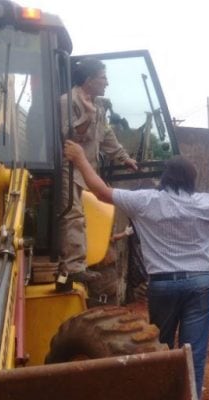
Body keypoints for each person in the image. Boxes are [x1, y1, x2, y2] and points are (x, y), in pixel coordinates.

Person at [63, 140, 209, 400]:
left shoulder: (144, 201)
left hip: (162, 285)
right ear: (191, 179)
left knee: (159, 346)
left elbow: (100, 191)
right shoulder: (207, 203)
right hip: (200, 283)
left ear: (165, 177)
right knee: (192, 352)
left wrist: (81, 158)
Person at [59, 58, 138, 285]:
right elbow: (72, 136)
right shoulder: (68, 102)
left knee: (82, 217)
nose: (107, 83)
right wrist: (88, 113)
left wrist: (123, 157)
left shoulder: (99, 105)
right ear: (89, 80)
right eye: (103, 78)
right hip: (69, 168)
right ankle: (73, 267)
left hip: (86, 170)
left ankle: (80, 262)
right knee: (72, 215)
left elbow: (106, 136)